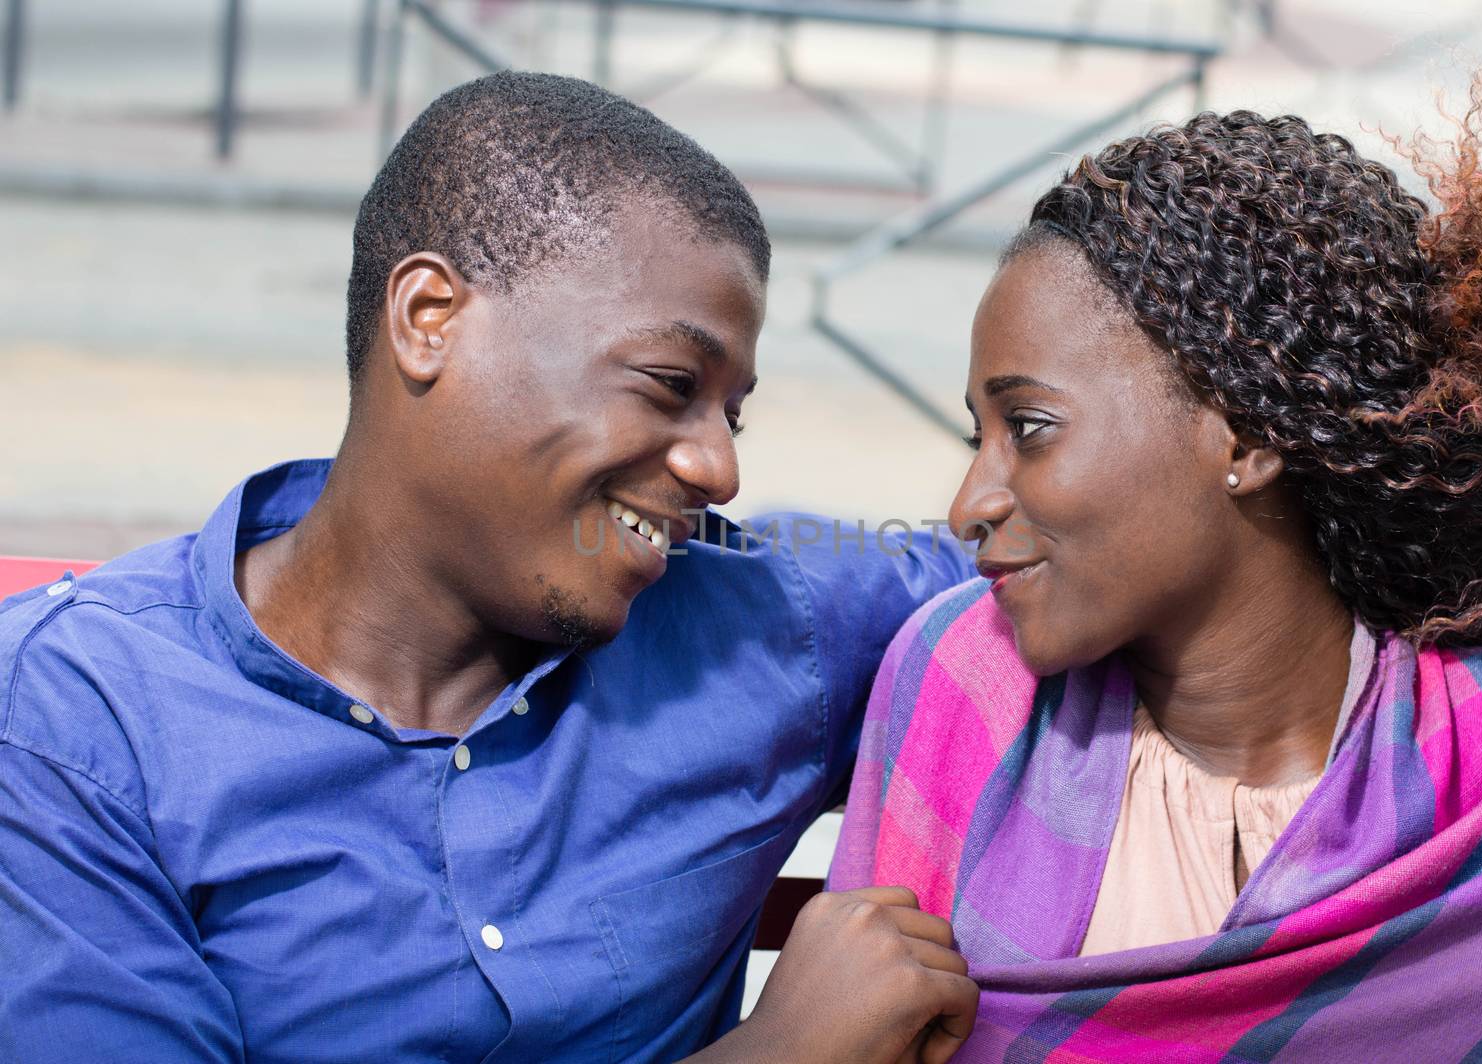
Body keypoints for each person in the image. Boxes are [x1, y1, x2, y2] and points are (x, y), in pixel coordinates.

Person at [0, 72, 979, 1063]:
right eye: (670, 385)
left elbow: (1074, 550)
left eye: (730, 412)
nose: (718, 466)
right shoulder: (75, 720)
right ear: (430, 318)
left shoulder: (768, 625)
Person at [830, 81, 1482, 1060]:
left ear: (1245, 433)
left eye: (1027, 426)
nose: (969, 503)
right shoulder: (958, 678)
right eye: (976, 435)